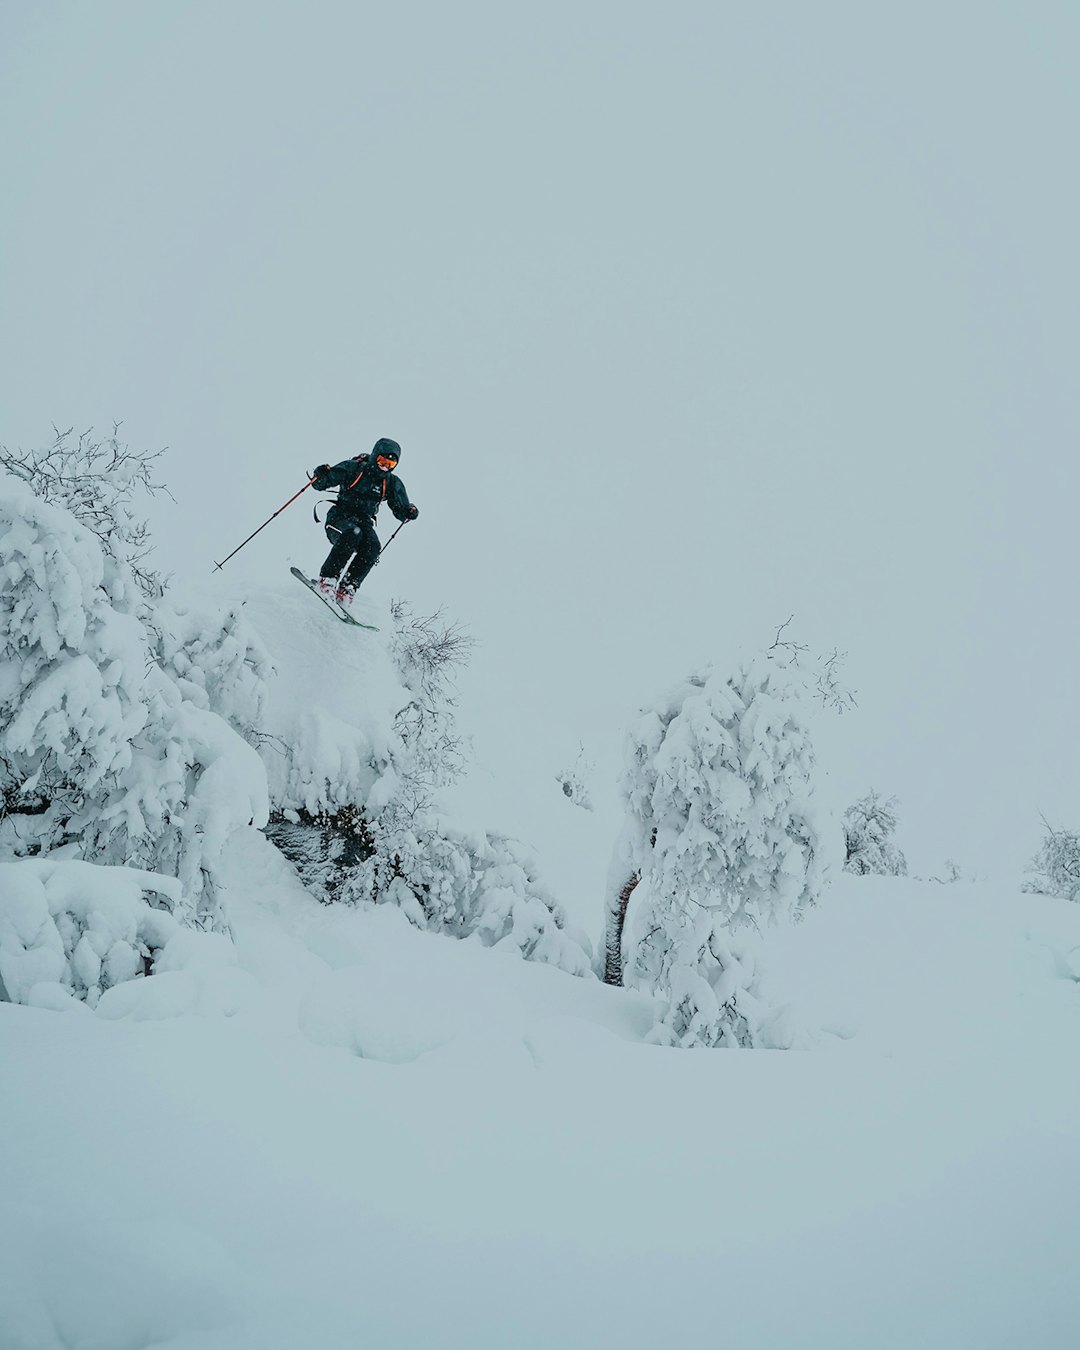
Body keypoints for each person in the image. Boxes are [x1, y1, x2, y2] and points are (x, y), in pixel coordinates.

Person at [309, 437, 418, 602]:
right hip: (339, 518)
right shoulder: (354, 468)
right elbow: (320, 484)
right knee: (352, 533)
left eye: (390, 464)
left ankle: (347, 588)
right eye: (382, 460)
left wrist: (409, 512)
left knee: (373, 546)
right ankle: (327, 580)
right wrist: (320, 474)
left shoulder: (391, 482)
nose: (385, 466)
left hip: (364, 522)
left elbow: (400, 511)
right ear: (375, 456)